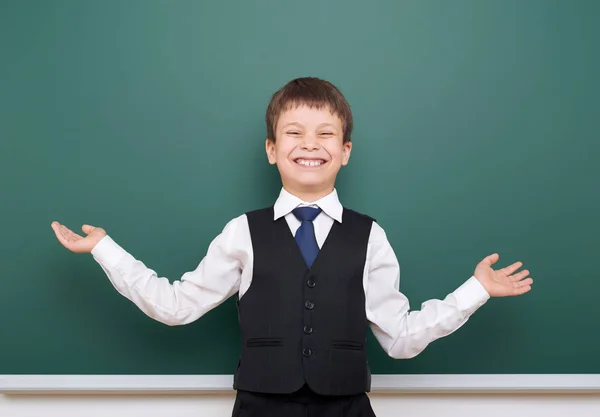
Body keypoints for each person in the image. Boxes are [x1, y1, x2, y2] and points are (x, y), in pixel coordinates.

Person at [51, 77, 533, 417]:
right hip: (260, 407)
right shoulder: (242, 231)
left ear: (345, 151)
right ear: (271, 148)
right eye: (294, 133)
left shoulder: (371, 236)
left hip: (347, 407)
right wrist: (104, 249)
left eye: (327, 134)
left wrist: (477, 290)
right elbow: (176, 306)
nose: (310, 144)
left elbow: (400, 339)